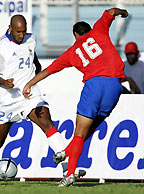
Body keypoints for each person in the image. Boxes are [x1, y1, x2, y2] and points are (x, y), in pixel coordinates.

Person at [23, 8, 128, 187]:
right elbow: (110, 11)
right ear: (89, 30)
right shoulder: (99, 30)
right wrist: (123, 12)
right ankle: (66, 153)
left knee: (80, 132)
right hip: (115, 86)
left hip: (94, 85)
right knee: (89, 130)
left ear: (75, 34)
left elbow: (50, 70)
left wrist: (29, 84)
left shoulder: (72, 51)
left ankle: (70, 174)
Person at [0, 14, 85, 185]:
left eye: (24, 31)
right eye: (18, 32)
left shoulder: (31, 39)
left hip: (30, 95)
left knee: (47, 121)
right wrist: (4, 82)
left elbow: (32, 57)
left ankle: (67, 168)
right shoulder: (1, 46)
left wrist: (36, 70)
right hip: (8, 99)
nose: (21, 35)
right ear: (10, 28)